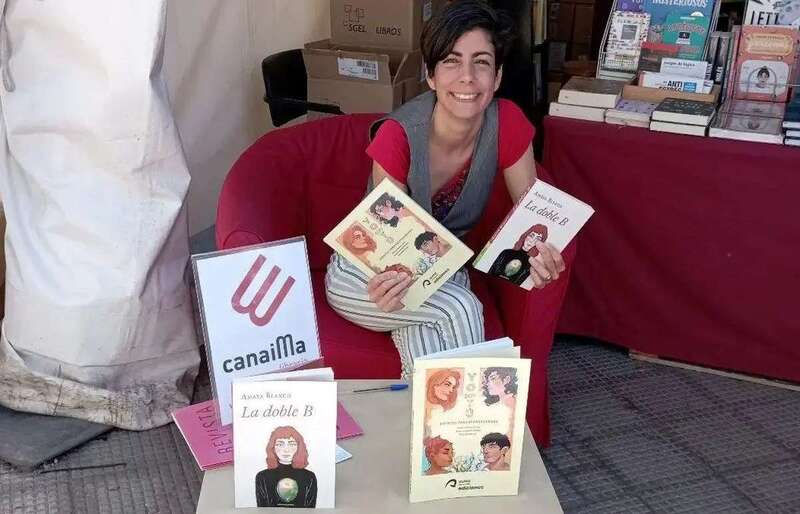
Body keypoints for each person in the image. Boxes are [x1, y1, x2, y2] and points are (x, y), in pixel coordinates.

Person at [325, 0, 565, 378]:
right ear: (431, 75)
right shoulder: (398, 135)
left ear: (497, 76)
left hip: (441, 274)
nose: (467, 77)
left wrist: (542, 256)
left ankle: (433, 434)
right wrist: (389, 282)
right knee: (461, 308)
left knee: (432, 335)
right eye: (452, 61)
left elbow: (532, 220)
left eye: (481, 62)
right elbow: (384, 247)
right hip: (365, 276)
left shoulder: (508, 124)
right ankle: (482, 432)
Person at [254, 426, 318, 508]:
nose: (286, 450)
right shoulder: (262, 477)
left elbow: (310, 509)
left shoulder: (309, 477)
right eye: (280, 444)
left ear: (299, 447)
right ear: (272, 447)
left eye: (291, 444)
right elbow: (262, 509)